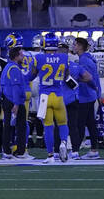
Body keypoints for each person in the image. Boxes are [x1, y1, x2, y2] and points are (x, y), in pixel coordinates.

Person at [36, 32, 73, 163]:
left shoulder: (39, 58)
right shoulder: (64, 57)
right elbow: (66, 75)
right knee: (63, 123)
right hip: (58, 96)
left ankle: (50, 155)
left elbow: (31, 75)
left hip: (44, 97)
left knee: (48, 127)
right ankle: (63, 142)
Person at [67, 36, 101, 158]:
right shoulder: (87, 58)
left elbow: (89, 78)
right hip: (90, 95)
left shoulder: (84, 60)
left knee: (80, 124)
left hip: (85, 95)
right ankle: (93, 150)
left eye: (75, 45)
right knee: (90, 123)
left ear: (80, 46)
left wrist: (74, 79)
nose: (74, 47)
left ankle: (75, 150)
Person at [0, 37, 29, 160]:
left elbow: (2, 86)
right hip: (13, 101)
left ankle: (7, 151)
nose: (23, 56)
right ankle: (20, 152)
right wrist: (16, 104)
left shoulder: (8, 67)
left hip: (7, 99)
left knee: (8, 126)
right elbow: (16, 88)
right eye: (21, 54)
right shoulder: (14, 69)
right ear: (16, 56)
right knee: (20, 127)